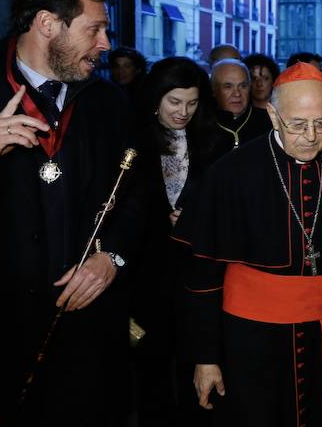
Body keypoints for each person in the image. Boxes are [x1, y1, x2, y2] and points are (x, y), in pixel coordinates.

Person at [0, 0, 141, 425]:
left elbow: (137, 197)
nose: (106, 43)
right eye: (95, 29)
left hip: (88, 337)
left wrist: (111, 257)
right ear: (48, 24)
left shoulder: (108, 102)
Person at [173, 62, 322, 427]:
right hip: (249, 340)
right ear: (272, 114)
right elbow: (202, 275)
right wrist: (206, 357)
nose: (312, 135)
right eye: (298, 123)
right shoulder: (230, 173)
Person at [130, 57, 216, 427]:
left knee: (195, 362)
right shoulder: (132, 140)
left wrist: (198, 220)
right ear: (156, 98)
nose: (183, 112)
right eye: (175, 102)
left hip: (196, 272)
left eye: (192, 103)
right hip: (147, 272)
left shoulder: (212, 142)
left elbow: (222, 204)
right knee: (150, 365)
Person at [209, 58, 272, 156]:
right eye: (228, 87)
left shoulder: (270, 122)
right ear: (214, 89)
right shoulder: (202, 125)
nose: (237, 94)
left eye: (243, 86)